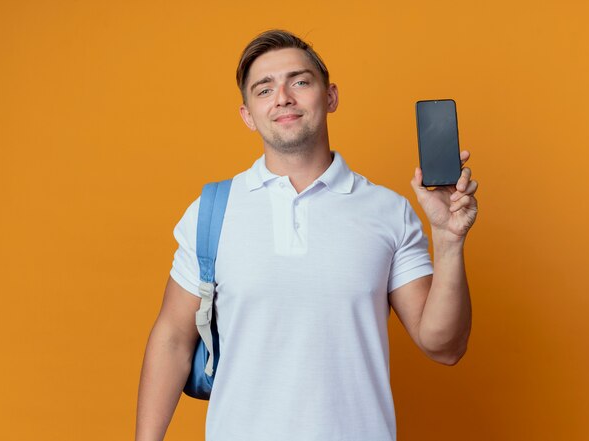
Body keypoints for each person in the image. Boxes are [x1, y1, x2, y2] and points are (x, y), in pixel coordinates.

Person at [136, 29, 478, 441]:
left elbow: (444, 346)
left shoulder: (387, 212)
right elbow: (173, 337)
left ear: (330, 97)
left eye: (299, 81)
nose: (282, 97)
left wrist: (448, 240)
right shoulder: (211, 211)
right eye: (264, 89)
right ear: (248, 115)